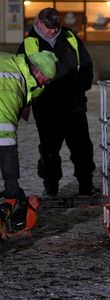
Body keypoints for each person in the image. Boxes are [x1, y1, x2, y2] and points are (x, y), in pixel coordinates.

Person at [17, 7, 98, 198]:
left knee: (82, 148)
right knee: (49, 151)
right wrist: (28, 101)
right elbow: (22, 74)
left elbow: (86, 64)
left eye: (55, 27)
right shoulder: (28, 44)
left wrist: (81, 87)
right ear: (38, 23)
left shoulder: (70, 38)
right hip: (45, 106)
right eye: (49, 27)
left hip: (74, 104)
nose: (53, 31)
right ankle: (51, 187)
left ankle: (86, 185)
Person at [0, 50, 57, 231]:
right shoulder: (11, 87)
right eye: (45, 79)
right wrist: (12, 185)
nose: (45, 84)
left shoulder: (13, 65)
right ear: (37, 72)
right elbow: (5, 138)